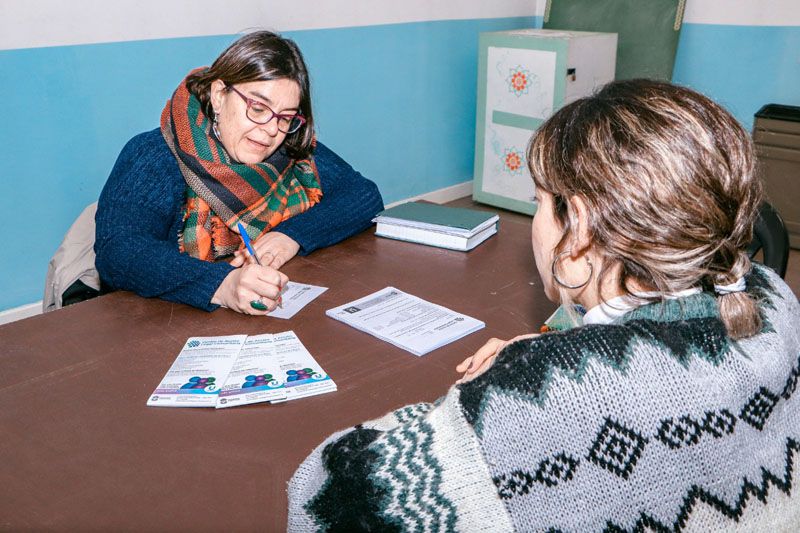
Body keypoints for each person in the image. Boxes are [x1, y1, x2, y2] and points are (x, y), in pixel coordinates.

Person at [287, 80, 800, 531]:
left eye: (537, 201)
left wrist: (518, 384)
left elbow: (321, 498)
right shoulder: (771, 296)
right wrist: (576, 350)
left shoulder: (533, 408)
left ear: (576, 229)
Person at [95, 31, 383, 314]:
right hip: (158, 327)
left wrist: (291, 236)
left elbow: (363, 195)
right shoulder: (153, 155)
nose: (271, 130)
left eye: (286, 117)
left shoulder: (290, 148)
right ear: (219, 95)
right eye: (258, 108)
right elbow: (120, 251)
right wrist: (221, 284)